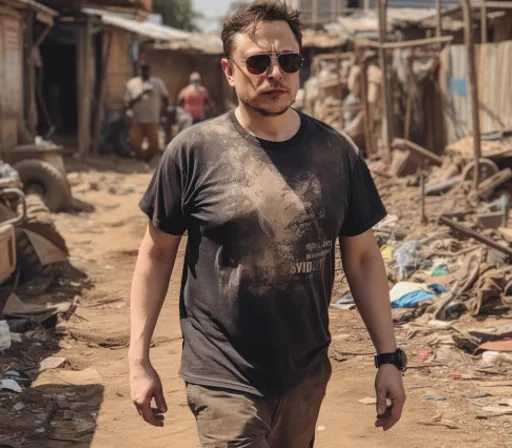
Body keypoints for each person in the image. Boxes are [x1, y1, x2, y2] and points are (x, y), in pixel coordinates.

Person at [129, 1, 406, 447]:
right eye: (258, 62)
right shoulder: (194, 152)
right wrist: (138, 360)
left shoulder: (337, 154)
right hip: (222, 373)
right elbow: (156, 253)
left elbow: (364, 259)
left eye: (288, 61)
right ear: (229, 70)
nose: (275, 73)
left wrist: (387, 358)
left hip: (305, 372)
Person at [124, 62, 168, 163]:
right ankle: (139, 157)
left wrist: (164, 113)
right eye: (142, 70)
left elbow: (165, 99)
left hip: (153, 118)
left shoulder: (157, 83)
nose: (144, 73)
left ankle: (147, 159)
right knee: (135, 142)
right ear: (139, 71)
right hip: (137, 118)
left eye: (146, 70)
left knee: (154, 144)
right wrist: (141, 94)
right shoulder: (131, 84)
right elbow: (127, 103)